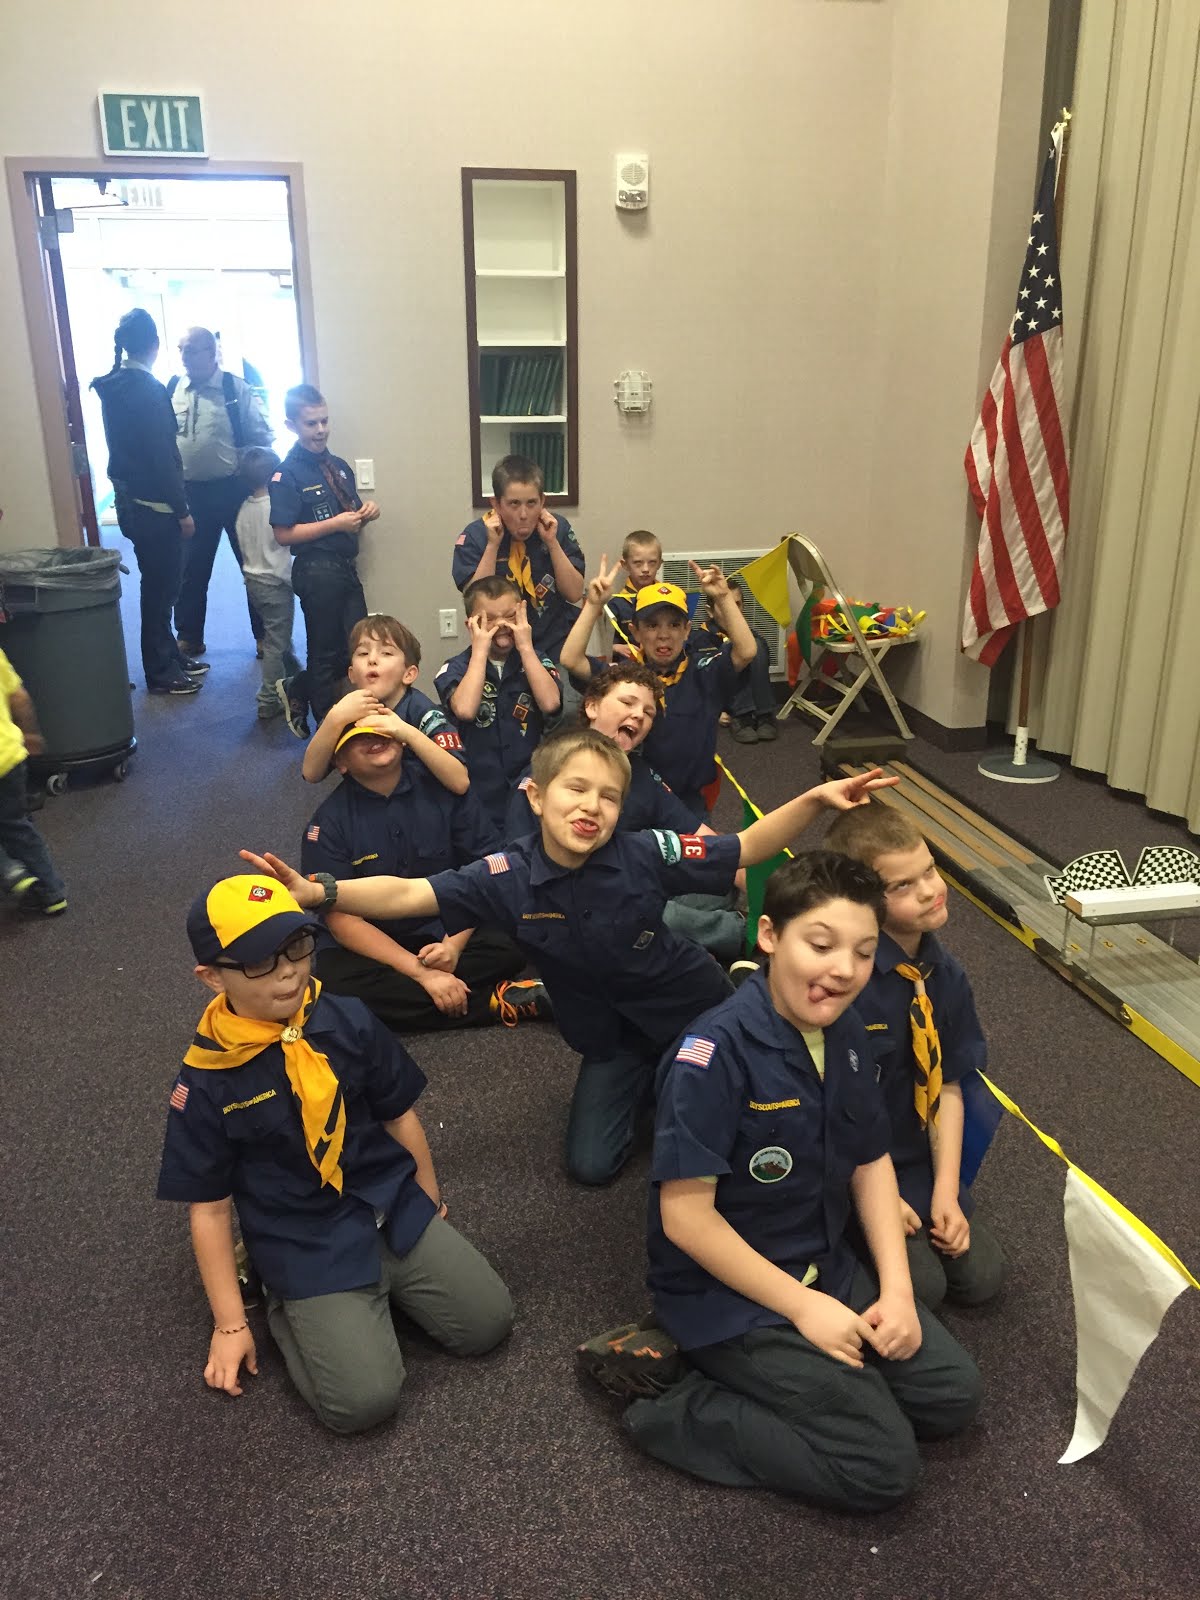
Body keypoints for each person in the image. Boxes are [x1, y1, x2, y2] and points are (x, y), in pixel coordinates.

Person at [241, 742, 894, 1188]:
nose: (592, 806)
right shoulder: (505, 874)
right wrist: (322, 893)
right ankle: (660, 1079)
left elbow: (746, 845)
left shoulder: (645, 852)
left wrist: (814, 800)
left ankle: (722, 1016)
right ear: (535, 796)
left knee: (741, 1125)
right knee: (591, 1166)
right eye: (576, 788)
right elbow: (411, 894)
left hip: (693, 1011)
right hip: (609, 1037)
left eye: (608, 797)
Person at [579, 852, 982, 1510]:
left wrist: (899, 1291)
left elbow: (870, 1160)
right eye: (820, 945)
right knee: (880, 1466)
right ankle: (675, 1401)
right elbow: (686, 1219)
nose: (843, 970)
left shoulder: (847, 1033)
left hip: (822, 1262)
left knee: (951, 1398)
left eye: (863, 952)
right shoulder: (710, 1056)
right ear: (769, 936)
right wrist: (802, 1309)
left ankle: (796, 1378)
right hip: (729, 1296)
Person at [156, 873, 514, 1434]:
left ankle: (370, 1298)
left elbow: (398, 1115)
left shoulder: (345, 1017)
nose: (288, 972)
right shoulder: (205, 1080)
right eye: (259, 962)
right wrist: (230, 1324)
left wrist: (428, 1200)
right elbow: (209, 1207)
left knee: (489, 1323)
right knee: (363, 1404)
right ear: (211, 977)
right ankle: (286, 1300)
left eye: (296, 947)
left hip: (389, 1203)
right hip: (306, 1241)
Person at [823, 807, 1006, 1309]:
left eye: (929, 870)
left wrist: (946, 1191)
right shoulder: (846, 983)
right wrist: (880, 1198)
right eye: (902, 885)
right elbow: (827, 1110)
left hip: (915, 1160)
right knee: (924, 1287)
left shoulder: (945, 976)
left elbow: (948, 1084)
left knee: (983, 1278)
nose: (929, 890)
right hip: (850, 1162)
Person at [300, 721, 545, 1031]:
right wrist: (421, 973)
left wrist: (452, 947)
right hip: (378, 942)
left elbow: (484, 870)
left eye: (382, 732)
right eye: (358, 737)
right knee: (335, 985)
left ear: (402, 740)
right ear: (341, 763)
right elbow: (342, 921)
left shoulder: (446, 789)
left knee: (513, 940)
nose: (375, 739)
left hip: (450, 924)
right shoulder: (326, 825)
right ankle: (497, 1002)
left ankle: (420, 998)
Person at [504, 663, 745, 964]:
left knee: (720, 883)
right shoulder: (551, 767)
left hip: (630, 879)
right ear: (592, 707)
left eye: (648, 712)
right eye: (627, 702)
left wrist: (743, 868)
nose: (639, 715)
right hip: (570, 902)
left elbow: (701, 836)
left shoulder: (640, 774)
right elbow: (519, 868)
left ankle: (689, 937)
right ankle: (736, 932)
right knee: (654, 913)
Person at [561, 557, 757, 817]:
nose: (664, 635)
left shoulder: (704, 671)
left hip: (687, 800)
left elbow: (747, 651)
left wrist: (722, 598)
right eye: (652, 625)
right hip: (632, 794)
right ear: (636, 632)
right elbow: (571, 659)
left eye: (674, 625)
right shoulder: (624, 676)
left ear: (687, 630)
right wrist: (594, 606)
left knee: (699, 843)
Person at [90, 308, 206, 696]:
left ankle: (169, 655)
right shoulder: (149, 391)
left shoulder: (114, 386)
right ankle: (160, 671)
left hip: (131, 503)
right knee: (161, 591)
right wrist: (183, 510)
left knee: (158, 586)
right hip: (156, 508)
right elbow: (163, 457)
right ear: (154, 345)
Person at [270, 384, 380, 736]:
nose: (320, 430)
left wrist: (366, 513)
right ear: (292, 426)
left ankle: (302, 690)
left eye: (324, 421)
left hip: (345, 568)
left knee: (359, 647)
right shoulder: (286, 474)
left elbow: (351, 514)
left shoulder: (339, 467)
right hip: (316, 570)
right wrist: (334, 524)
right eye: (311, 424)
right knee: (325, 653)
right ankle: (326, 732)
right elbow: (283, 533)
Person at [169, 325, 274, 658]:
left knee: (252, 565)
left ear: (211, 353)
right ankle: (189, 636)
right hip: (191, 494)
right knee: (191, 569)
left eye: (191, 350)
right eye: (181, 350)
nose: (184, 357)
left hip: (233, 490)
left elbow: (262, 436)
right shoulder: (174, 388)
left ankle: (264, 635)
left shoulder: (234, 388)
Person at [434, 577, 562, 829]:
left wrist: (526, 648)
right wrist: (480, 651)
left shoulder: (535, 660)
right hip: (478, 789)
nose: (502, 625)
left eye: (510, 616)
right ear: (470, 625)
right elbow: (465, 709)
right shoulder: (456, 668)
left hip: (528, 785)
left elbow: (550, 703)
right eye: (489, 619)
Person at [301, 615, 467, 794]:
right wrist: (335, 719)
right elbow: (311, 774)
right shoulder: (345, 711)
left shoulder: (422, 712)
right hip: (368, 801)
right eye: (363, 653)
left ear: (408, 674)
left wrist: (407, 733)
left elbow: (460, 782)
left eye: (386, 653)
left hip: (423, 801)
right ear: (352, 674)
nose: (372, 659)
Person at [451, 454, 585, 660]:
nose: (523, 514)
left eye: (532, 503)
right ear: (496, 504)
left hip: (554, 643)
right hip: (499, 647)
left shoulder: (557, 529)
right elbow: (474, 603)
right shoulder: (475, 537)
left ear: (542, 501)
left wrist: (552, 543)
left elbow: (574, 593)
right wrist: (492, 546)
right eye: (514, 504)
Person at [234, 446, 301, 723]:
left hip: (253, 582)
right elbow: (281, 554)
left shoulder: (244, 509)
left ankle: (295, 679)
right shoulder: (274, 509)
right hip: (275, 584)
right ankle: (268, 699)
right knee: (276, 643)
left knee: (278, 636)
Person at [0, 646, 67, 915]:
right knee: (17, 825)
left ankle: (10, 871)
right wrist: (31, 734)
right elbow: (19, 697)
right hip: (10, 757)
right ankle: (52, 892)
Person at [700, 577, 778, 744]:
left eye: (737, 604)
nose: (731, 611)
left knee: (756, 644)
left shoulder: (750, 635)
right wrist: (713, 710)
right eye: (724, 605)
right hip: (720, 699)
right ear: (710, 611)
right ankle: (742, 717)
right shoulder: (700, 639)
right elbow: (698, 681)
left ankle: (764, 715)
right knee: (729, 648)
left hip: (751, 697)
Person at [606, 530, 663, 645]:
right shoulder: (616, 605)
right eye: (638, 563)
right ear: (625, 565)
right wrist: (615, 648)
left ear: (659, 564)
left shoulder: (668, 599)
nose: (646, 569)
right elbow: (605, 644)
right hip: (630, 656)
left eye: (652, 562)